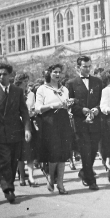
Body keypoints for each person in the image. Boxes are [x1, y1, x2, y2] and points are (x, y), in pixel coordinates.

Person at [0, 64, 31, 204]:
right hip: (0, 133)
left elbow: (24, 111)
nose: (1, 77)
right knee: (3, 161)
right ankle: (8, 189)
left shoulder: (17, 91)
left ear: (10, 75)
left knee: (13, 161)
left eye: (4, 74)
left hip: (16, 132)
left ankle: (9, 186)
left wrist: (27, 129)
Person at [35, 64, 74, 195]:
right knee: (53, 153)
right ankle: (51, 177)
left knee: (63, 153)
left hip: (63, 121)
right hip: (49, 122)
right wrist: (53, 105)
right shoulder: (42, 89)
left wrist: (68, 105)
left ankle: (61, 184)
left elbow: (67, 105)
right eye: (55, 72)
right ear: (49, 74)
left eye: (59, 72)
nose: (57, 75)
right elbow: (38, 108)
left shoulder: (65, 89)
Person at [67, 55, 103, 191]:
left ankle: (84, 171)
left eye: (89, 66)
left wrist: (97, 109)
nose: (88, 69)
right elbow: (70, 104)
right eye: (84, 67)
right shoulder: (71, 83)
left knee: (93, 150)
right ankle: (91, 180)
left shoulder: (98, 82)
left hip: (95, 121)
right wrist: (82, 109)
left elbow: (102, 100)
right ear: (78, 67)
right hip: (80, 122)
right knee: (85, 150)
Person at [15, 74, 39, 187]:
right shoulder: (13, 93)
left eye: (27, 81)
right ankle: (21, 176)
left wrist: (31, 112)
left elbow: (33, 108)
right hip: (17, 125)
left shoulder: (31, 94)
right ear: (18, 82)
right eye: (24, 81)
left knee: (30, 152)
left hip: (28, 123)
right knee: (20, 153)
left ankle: (31, 177)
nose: (26, 83)